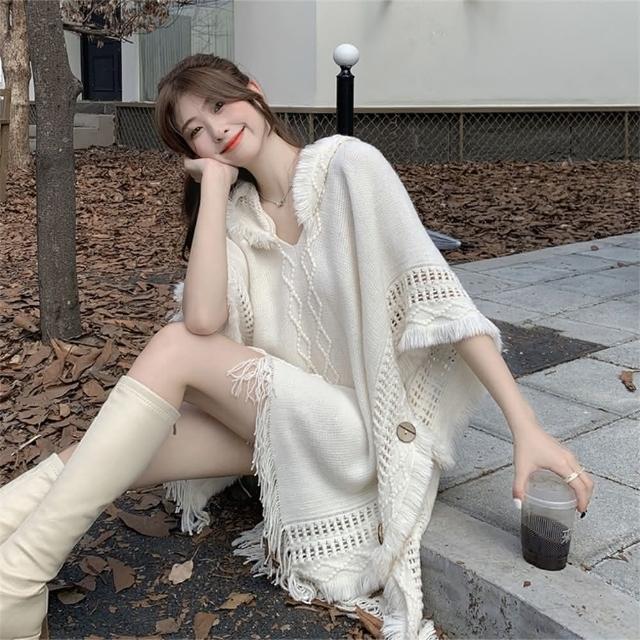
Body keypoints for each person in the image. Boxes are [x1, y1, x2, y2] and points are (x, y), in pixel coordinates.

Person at [0, 53, 594, 640]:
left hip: (358, 432)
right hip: (285, 426)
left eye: (220, 104)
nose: (217, 129)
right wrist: (215, 190)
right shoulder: (238, 216)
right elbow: (206, 314)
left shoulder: (350, 167)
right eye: (196, 131)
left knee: (174, 350)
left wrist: (526, 428)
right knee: (116, 448)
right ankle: (11, 563)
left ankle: (16, 582)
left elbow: (441, 304)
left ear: (254, 90)